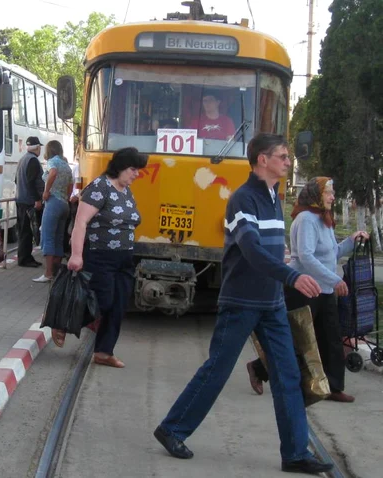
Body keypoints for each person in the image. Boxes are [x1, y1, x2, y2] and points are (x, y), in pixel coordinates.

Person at [154, 134, 333, 475]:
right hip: (241, 302)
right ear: (262, 160)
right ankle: (172, 429)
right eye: (281, 156)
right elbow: (251, 251)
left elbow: (272, 249)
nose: (287, 161)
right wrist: (292, 277)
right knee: (218, 370)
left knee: (288, 375)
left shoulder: (273, 197)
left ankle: (295, 453)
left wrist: (284, 277)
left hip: (272, 302)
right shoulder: (243, 199)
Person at [246, 177, 369, 403]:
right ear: (315, 195)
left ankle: (332, 387)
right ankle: (258, 368)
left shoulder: (324, 219)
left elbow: (331, 254)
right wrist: (335, 280)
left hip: (323, 290)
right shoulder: (305, 219)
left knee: (330, 338)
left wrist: (352, 240)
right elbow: (306, 256)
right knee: (295, 340)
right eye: (329, 193)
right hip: (302, 288)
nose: (333, 196)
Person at [64, 147, 147, 366]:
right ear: (120, 167)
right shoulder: (99, 188)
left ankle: (104, 352)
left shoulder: (125, 191)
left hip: (124, 257)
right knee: (103, 302)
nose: (136, 174)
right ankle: (63, 322)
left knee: (119, 305)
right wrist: (76, 255)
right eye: (132, 169)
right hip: (100, 255)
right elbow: (80, 222)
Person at [33, 141, 73, 283]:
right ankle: (57, 272)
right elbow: (71, 184)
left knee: (47, 236)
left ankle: (48, 273)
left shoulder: (52, 162)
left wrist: (46, 191)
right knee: (58, 238)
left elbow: (53, 173)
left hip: (53, 202)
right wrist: (67, 197)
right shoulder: (66, 165)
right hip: (64, 205)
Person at [15, 136, 45, 268]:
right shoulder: (33, 161)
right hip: (29, 202)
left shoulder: (22, 159)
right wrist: (37, 199)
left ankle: (25, 256)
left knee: (23, 230)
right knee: (27, 231)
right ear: (38, 147)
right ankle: (25, 258)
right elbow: (32, 181)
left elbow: (17, 180)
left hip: (20, 198)